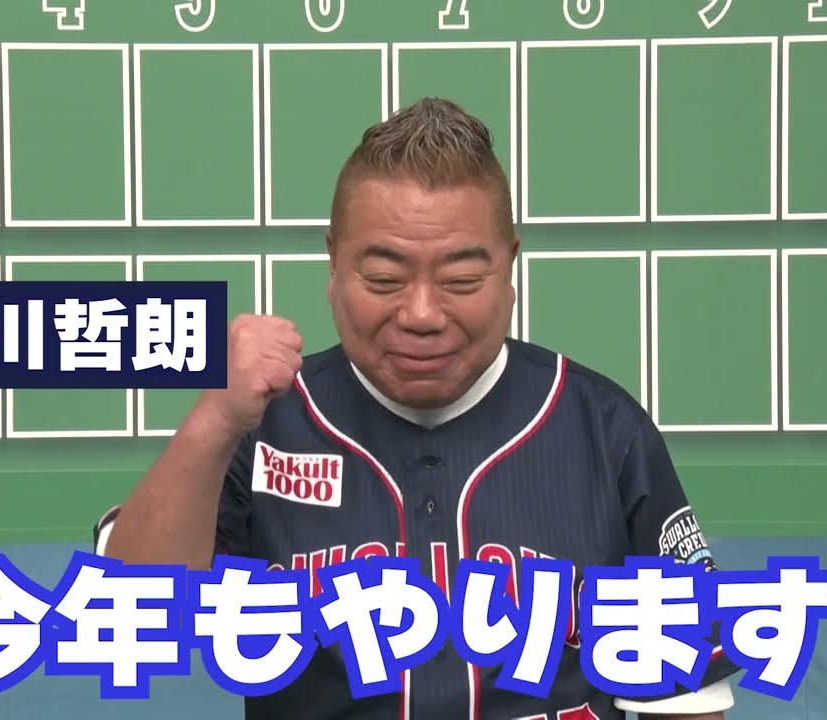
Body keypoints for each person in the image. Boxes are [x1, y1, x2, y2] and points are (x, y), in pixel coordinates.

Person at [94, 97, 742, 719]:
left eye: (461, 280)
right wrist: (213, 421)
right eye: (385, 279)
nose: (422, 314)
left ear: (510, 268)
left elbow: (682, 696)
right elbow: (132, 612)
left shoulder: (603, 429)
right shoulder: (267, 425)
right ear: (333, 264)